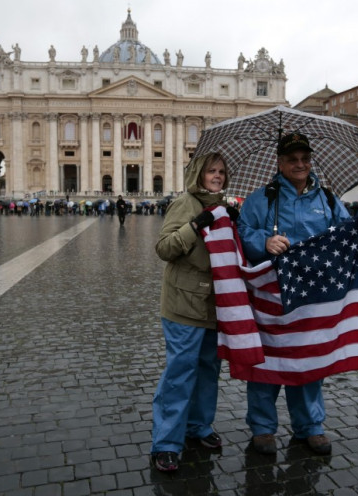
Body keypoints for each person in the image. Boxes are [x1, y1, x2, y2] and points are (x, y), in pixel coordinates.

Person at [237, 132, 358, 456]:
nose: (300, 164)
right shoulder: (260, 200)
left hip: (313, 299)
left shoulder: (327, 198)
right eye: (292, 159)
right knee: (265, 364)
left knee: (310, 361)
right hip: (272, 300)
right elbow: (242, 233)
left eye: (305, 159)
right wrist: (264, 242)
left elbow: (346, 231)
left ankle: (310, 426)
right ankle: (262, 429)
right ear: (280, 163)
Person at [151, 152, 234, 472]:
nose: (217, 176)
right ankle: (166, 442)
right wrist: (196, 225)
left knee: (208, 370)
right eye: (211, 171)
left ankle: (198, 426)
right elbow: (164, 248)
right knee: (180, 373)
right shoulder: (186, 204)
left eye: (221, 171)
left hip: (215, 304)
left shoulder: (224, 207)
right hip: (183, 305)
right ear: (198, 173)